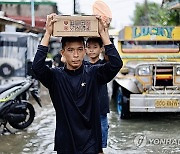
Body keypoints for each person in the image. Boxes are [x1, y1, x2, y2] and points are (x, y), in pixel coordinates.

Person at [32, 13, 123, 154]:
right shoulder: (56, 77)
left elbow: (116, 64)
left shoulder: (93, 73)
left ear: (84, 51)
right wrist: (47, 33)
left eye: (80, 50)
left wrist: (103, 34)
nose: (76, 55)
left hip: (90, 143)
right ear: (63, 52)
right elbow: (37, 67)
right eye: (70, 50)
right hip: (66, 144)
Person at [85, 37, 110, 153]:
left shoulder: (104, 65)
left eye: (95, 47)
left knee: (102, 131)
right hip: (86, 106)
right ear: (85, 50)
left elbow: (112, 60)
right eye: (89, 47)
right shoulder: (82, 65)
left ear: (101, 49)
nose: (92, 50)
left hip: (101, 106)